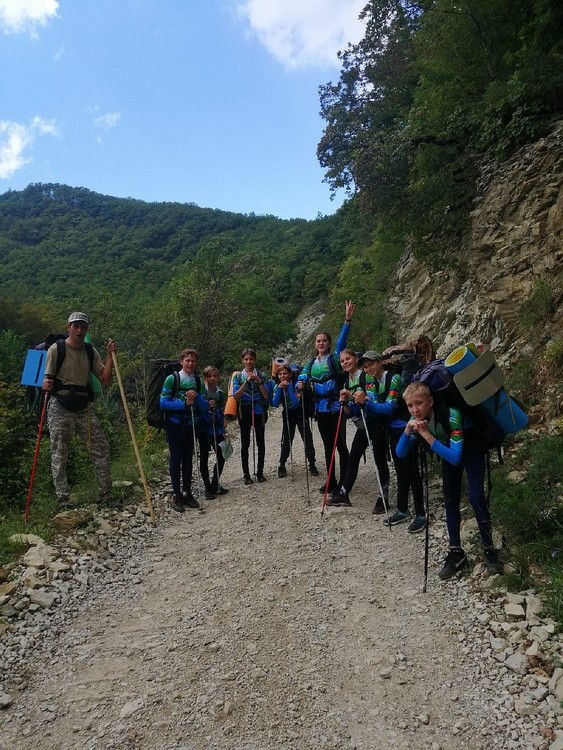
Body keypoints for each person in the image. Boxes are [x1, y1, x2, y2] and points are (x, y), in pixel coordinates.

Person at [396, 382, 504, 579]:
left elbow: (455, 457)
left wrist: (426, 435)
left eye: (419, 403)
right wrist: (408, 429)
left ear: (430, 401)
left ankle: (489, 550)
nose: (415, 409)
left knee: (476, 498)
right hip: (446, 450)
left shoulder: (451, 415)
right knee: (450, 500)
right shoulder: (415, 420)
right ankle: (456, 553)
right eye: (410, 405)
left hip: (472, 450)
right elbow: (400, 452)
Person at [41, 312, 116, 508]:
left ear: (87, 329)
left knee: (101, 448)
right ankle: (63, 498)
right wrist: (45, 384)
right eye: (76, 326)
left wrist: (110, 356)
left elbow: (104, 379)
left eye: (83, 326)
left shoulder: (90, 351)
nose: (79, 330)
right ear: (68, 327)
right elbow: (47, 379)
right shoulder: (56, 350)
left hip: (84, 406)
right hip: (60, 405)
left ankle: (106, 494)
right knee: (60, 452)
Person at [298, 301, 355, 495]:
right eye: (318, 341)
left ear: (329, 344)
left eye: (324, 341)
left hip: (336, 408)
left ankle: (344, 483)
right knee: (328, 446)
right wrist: (300, 383)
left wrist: (347, 321)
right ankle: (331, 481)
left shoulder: (334, 359)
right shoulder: (311, 364)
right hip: (321, 411)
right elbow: (302, 376)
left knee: (340, 445)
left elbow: (342, 343)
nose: (321, 343)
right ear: (315, 344)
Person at [160, 348, 208, 513]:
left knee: (188, 459)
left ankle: (187, 493)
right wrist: (185, 404)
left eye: (193, 361)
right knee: (176, 458)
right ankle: (177, 494)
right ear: (181, 361)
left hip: (191, 424)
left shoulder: (199, 382)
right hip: (174, 424)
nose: (190, 364)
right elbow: (163, 403)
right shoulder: (172, 379)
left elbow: (204, 406)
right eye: (187, 360)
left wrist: (197, 397)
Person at [232, 348, 271, 485]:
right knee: (245, 443)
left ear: (255, 360)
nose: (249, 362)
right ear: (242, 360)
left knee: (260, 442)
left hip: (259, 409)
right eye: (246, 359)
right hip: (244, 410)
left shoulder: (262, 375)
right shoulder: (238, 377)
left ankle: (260, 473)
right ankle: (246, 474)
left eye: (251, 359)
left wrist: (259, 381)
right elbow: (236, 396)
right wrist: (246, 382)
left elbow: (266, 396)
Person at [272, 363, 318, 479]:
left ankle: (312, 463)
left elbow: (295, 402)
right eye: (280, 374)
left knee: (307, 438)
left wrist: (289, 388)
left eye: (285, 373)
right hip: (288, 414)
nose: (283, 376)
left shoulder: (297, 385)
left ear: (290, 375)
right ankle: (282, 465)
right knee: (287, 440)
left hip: (300, 413)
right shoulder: (277, 386)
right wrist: (279, 389)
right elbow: (275, 403)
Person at [199, 365, 229, 500]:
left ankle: (215, 483)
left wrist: (223, 429)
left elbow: (222, 410)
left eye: (215, 376)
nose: (212, 378)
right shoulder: (201, 392)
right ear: (204, 378)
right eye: (209, 376)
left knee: (222, 455)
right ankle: (208, 488)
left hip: (216, 428)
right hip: (204, 428)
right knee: (204, 457)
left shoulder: (220, 393)